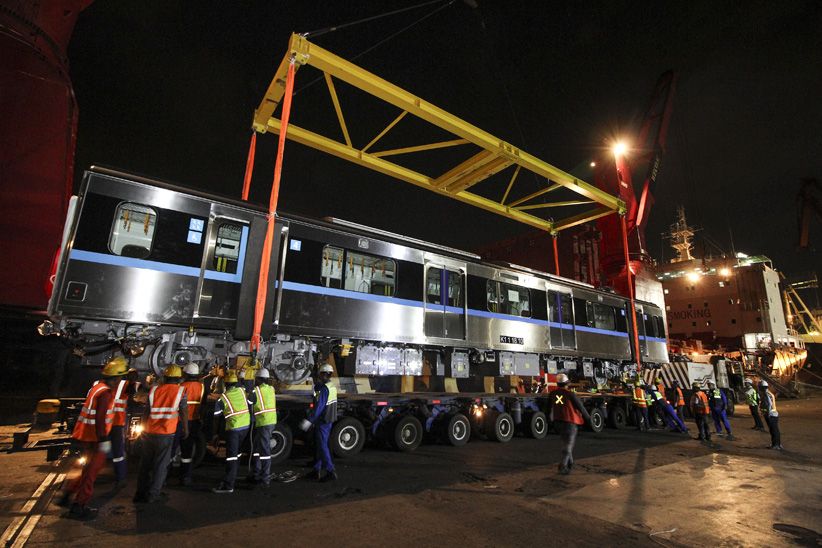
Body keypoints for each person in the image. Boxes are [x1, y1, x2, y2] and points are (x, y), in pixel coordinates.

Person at [58, 356, 128, 519]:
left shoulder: (97, 387)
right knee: (92, 472)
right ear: (116, 377)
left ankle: (67, 494)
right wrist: (103, 439)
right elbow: (100, 417)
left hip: (86, 435)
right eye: (120, 377)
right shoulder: (105, 394)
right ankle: (79, 506)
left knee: (87, 468)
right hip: (96, 438)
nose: (120, 380)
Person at [134, 365, 188, 503]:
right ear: (179, 378)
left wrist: (143, 430)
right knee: (160, 465)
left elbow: (147, 412)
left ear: (165, 377)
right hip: (166, 433)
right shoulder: (181, 391)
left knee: (144, 464)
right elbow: (183, 411)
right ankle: (154, 494)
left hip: (149, 432)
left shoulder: (154, 390)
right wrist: (186, 429)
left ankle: (140, 493)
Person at [212, 370, 251, 493]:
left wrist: (215, 434)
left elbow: (216, 418)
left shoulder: (222, 398)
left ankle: (229, 485)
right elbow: (243, 385)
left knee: (231, 457)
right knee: (237, 454)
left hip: (234, 428)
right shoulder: (241, 391)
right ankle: (233, 476)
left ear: (225, 384)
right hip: (245, 426)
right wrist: (242, 377)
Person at [300, 363, 338, 482]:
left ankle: (330, 471)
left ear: (322, 374)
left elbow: (319, 407)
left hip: (323, 420)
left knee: (322, 446)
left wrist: (309, 421)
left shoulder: (324, 389)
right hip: (328, 419)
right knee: (321, 445)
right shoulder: (330, 386)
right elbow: (318, 392)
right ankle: (316, 470)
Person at [549, 373, 591, 474]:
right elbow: (580, 407)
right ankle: (563, 466)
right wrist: (589, 420)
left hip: (558, 422)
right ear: (567, 383)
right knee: (568, 445)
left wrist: (549, 421)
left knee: (565, 442)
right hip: (570, 422)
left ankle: (570, 463)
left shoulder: (552, 394)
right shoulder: (570, 394)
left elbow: (548, 409)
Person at [107, 358, 133, 488]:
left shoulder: (99, 383)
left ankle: (92, 472)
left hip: (103, 424)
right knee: (118, 452)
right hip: (117, 423)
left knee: (101, 450)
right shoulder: (126, 384)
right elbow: (136, 391)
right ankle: (120, 478)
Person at [249, 368, 277, 486]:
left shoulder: (255, 391)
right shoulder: (271, 389)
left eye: (256, 378)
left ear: (259, 379)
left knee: (264, 450)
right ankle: (256, 473)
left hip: (263, 422)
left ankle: (265, 478)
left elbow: (249, 404)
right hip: (270, 420)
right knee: (257, 448)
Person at [178, 362, 204, 486]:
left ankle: (172, 475)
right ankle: (187, 476)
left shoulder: (181, 386)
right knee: (189, 449)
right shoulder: (201, 386)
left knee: (179, 449)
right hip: (195, 419)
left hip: (182, 421)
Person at [758, 380, 782, 450]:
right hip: (773, 414)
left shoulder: (766, 394)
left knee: (773, 430)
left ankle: (776, 445)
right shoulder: (769, 393)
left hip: (771, 415)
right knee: (775, 430)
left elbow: (768, 404)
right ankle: (777, 444)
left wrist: (767, 413)